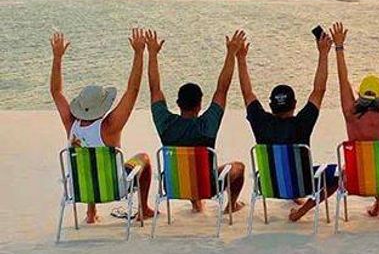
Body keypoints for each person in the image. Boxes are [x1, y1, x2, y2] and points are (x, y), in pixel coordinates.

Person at [49, 28, 154, 224]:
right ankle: (144, 208)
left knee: (87, 160)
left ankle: (90, 213)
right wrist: (139, 54)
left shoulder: (70, 123)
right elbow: (133, 89)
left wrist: (57, 58)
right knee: (144, 158)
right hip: (114, 188)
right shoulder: (110, 126)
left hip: (81, 188)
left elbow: (56, 91)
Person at [236, 27, 338, 221]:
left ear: (270, 106)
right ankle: (303, 210)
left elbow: (247, 93)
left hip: (268, 185)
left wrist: (240, 59)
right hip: (304, 183)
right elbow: (319, 90)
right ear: (295, 105)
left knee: (284, 163)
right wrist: (323, 54)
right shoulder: (302, 122)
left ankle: (292, 195)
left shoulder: (260, 121)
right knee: (338, 172)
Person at [147, 28, 246, 215]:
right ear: (200, 105)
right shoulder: (207, 125)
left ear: (177, 103)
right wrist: (231, 53)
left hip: (175, 186)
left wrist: (152, 54)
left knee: (187, 165)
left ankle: (196, 204)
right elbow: (222, 89)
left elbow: (154, 89)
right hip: (207, 187)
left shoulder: (166, 124)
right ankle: (231, 206)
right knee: (238, 168)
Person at [332, 20, 379, 220]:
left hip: (354, 181)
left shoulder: (350, 114)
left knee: (368, 160)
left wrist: (338, 47)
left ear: (360, 95)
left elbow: (343, 79)